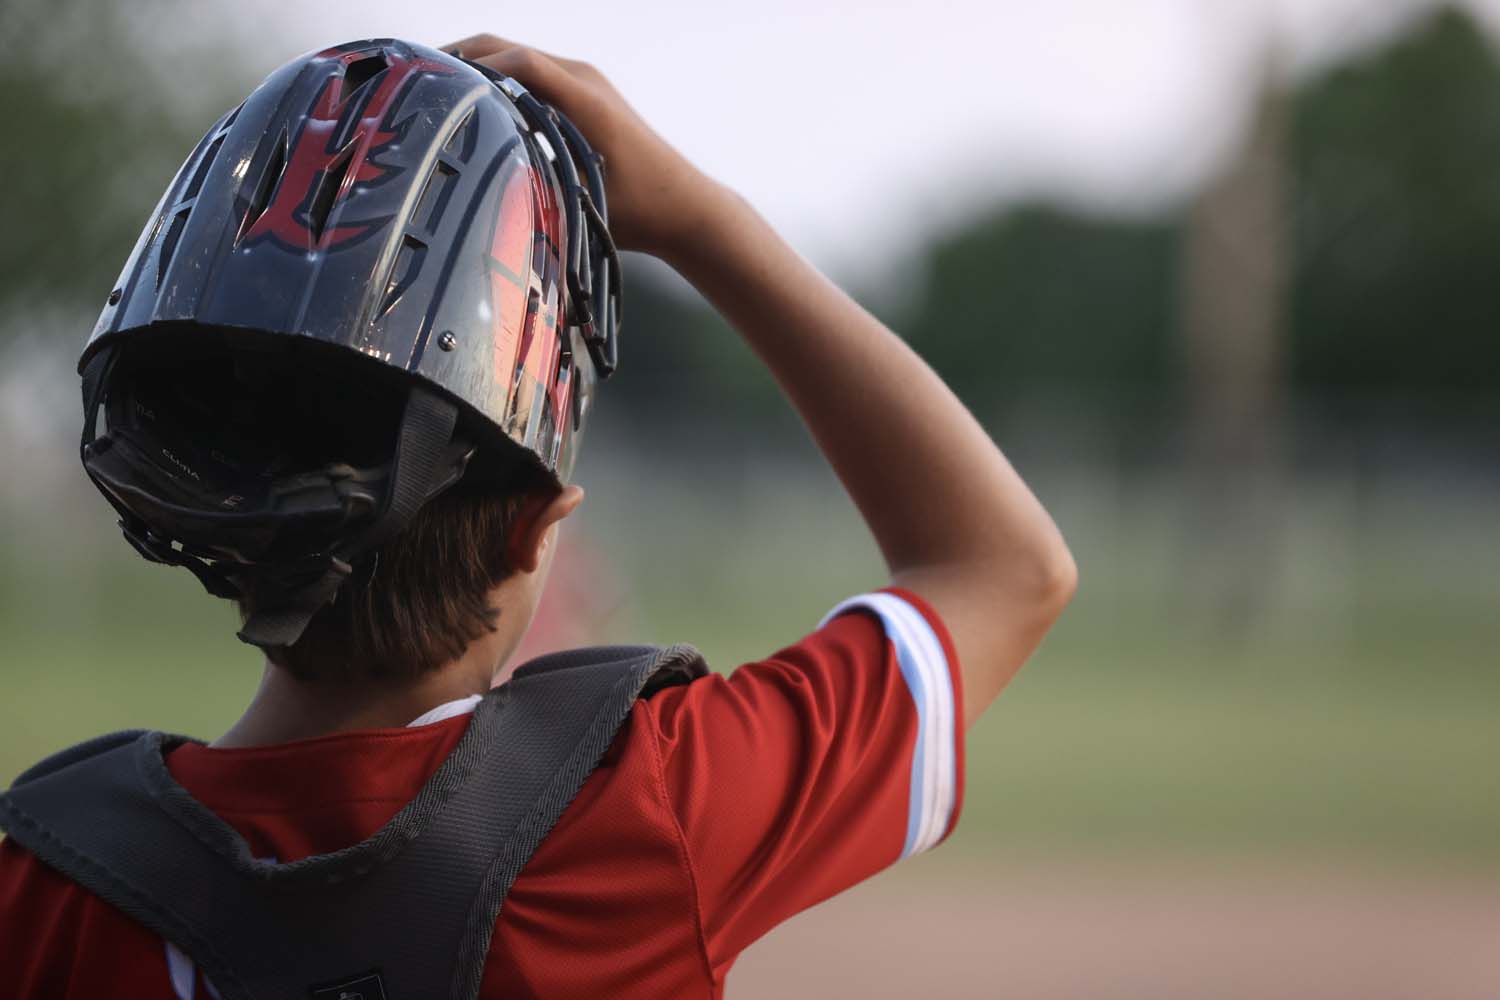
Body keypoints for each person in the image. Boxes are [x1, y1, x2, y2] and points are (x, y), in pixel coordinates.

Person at [0, 33, 1076, 999]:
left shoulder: (45, 884)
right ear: (534, 531)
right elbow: (1005, 567)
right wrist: (702, 218)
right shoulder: (641, 819)